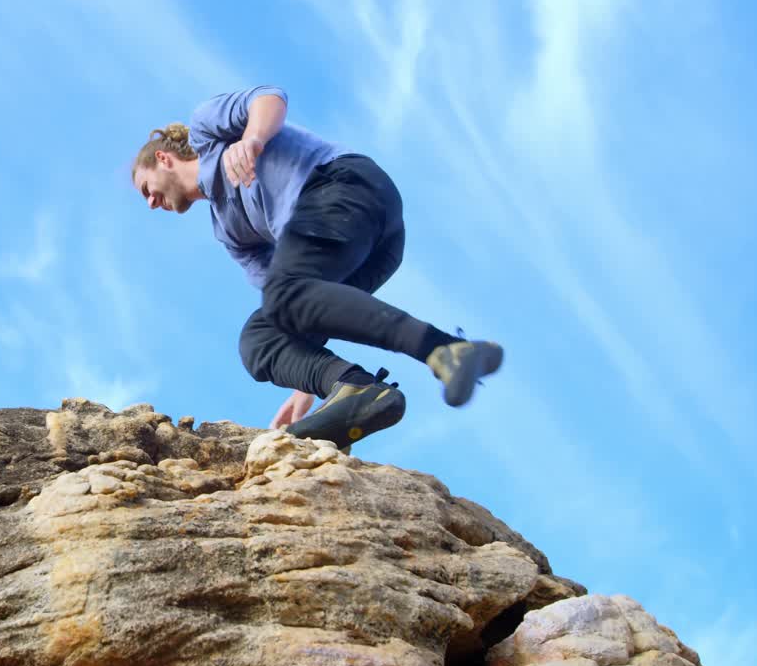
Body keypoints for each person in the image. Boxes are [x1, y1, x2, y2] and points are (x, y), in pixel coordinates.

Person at [130, 85, 502, 451]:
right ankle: (352, 391)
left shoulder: (207, 132)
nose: (149, 203)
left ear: (163, 159)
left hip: (344, 185)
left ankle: (443, 348)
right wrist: (306, 388)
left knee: (283, 294)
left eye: (146, 187)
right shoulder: (228, 230)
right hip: (372, 249)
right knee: (261, 337)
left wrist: (253, 139)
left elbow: (270, 97)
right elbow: (295, 310)